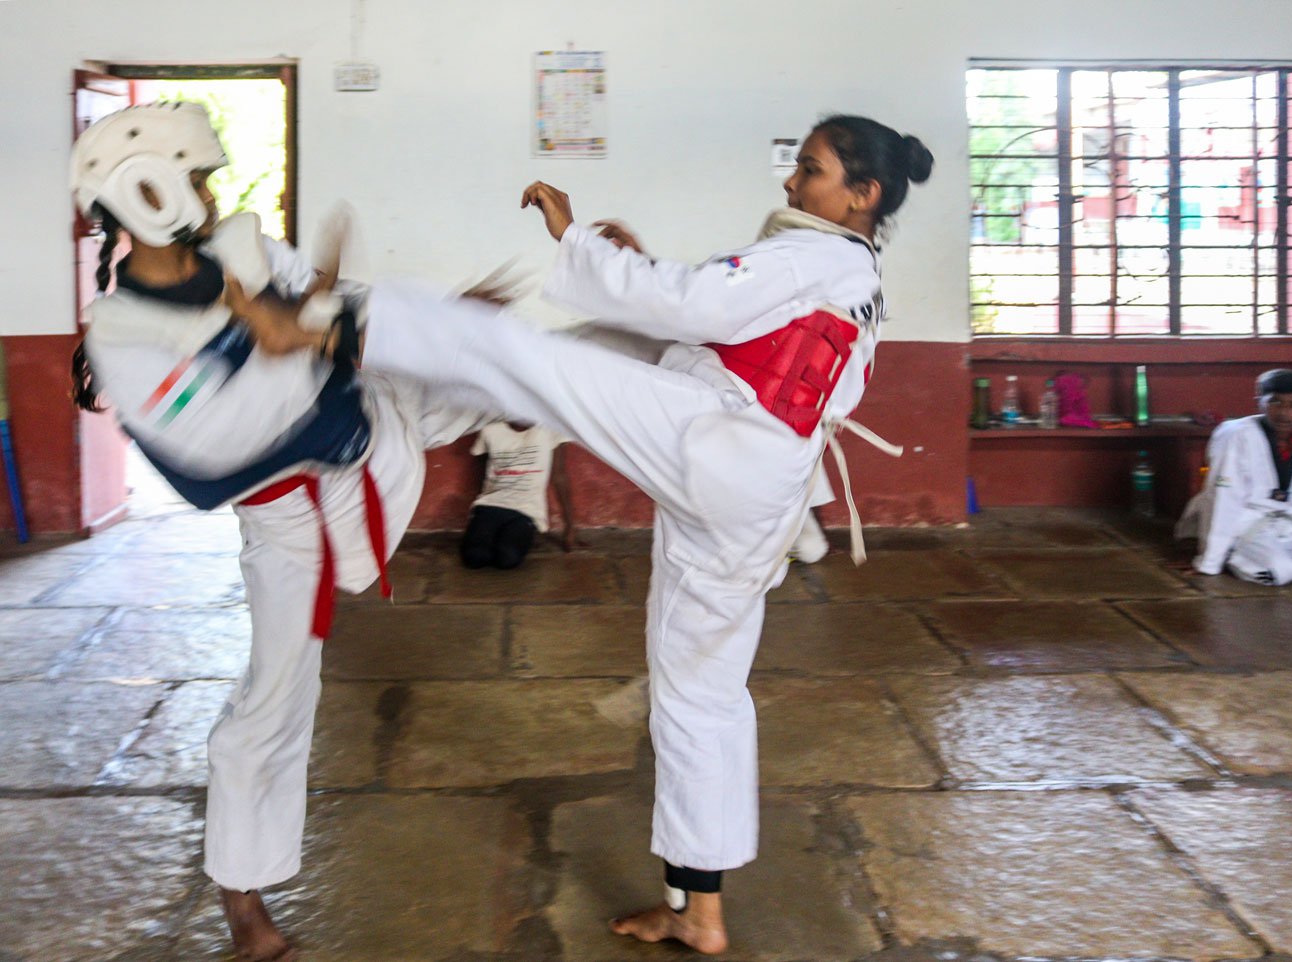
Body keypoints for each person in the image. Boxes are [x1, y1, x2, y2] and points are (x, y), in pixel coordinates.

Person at [228, 114, 931, 954]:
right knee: (701, 692)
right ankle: (697, 912)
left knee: (527, 357)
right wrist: (628, 270)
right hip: (759, 491)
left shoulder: (816, 253)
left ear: (864, 193)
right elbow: (725, 317)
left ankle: (319, 328)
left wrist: (576, 237)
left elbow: (697, 303)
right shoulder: (854, 271)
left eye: (810, 171)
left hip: (716, 443)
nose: (790, 183)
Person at [68, 102, 493, 961]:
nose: (210, 191)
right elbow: (218, 436)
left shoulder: (243, 249)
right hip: (287, 516)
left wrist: (413, 320)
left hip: (372, 441)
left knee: (493, 356)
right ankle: (242, 901)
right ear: (146, 192)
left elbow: (333, 306)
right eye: (196, 177)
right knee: (269, 707)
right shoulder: (123, 334)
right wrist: (301, 336)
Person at [1176, 368, 1292, 586]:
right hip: (1245, 519)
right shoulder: (1236, 435)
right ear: (1259, 401)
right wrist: (1209, 562)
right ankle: (1235, 556)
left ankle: (1284, 558)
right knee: (1278, 573)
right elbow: (1223, 500)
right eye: (1275, 402)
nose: (1284, 413)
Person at [460, 420, 574, 568]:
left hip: (526, 510)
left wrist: (570, 527)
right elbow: (482, 470)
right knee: (474, 557)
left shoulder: (550, 428)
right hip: (490, 505)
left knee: (507, 559)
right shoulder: (491, 429)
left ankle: (515, 534)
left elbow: (560, 477)